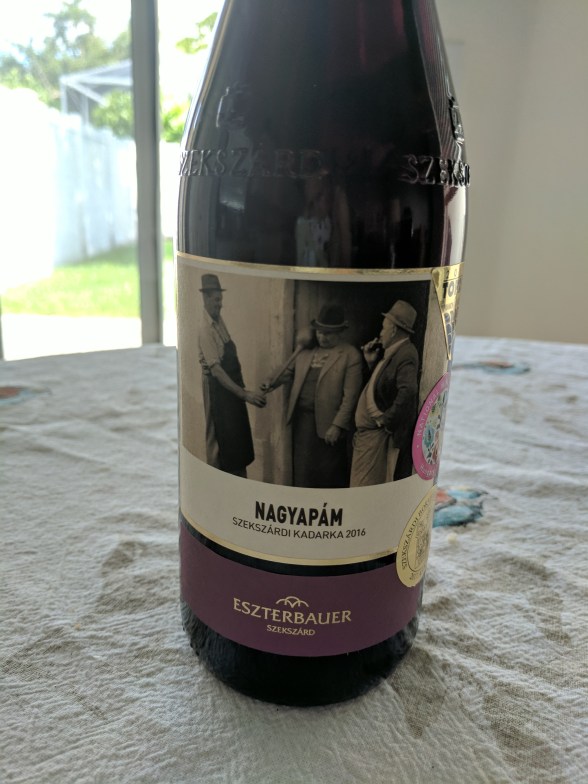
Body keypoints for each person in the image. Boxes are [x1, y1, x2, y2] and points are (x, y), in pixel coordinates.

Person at [264, 304, 363, 488]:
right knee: (303, 473)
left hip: (329, 426)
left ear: (340, 332)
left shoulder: (350, 355)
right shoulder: (305, 352)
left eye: (328, 333)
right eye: (319, 332)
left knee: (328, 476)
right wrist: (270, 381)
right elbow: (286, 373)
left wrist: (337, 426)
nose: (322, 337)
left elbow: (351, 397)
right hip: (303, 424)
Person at [198, 274, 266, 476]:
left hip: (231, 390)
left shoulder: (218, 321)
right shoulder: (204, 329)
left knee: (236, 441)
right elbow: (217, 371)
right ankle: (217, 482)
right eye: (216, 300)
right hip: (217, 389)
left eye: (221, 299)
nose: (220, 304)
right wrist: (245, 395)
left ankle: (238, 481)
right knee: (219, 441)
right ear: (205, 298)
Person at [350, 300, 419, 486]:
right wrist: (371, 363)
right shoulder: (393, 352)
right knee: (362, 486)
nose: (380, 333)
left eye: (383, 328)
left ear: (394, 330)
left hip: (377, 437)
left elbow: (408, 390)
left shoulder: (406, 353)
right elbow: (381, 387)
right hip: (368, 437)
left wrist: (388, 421)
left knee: (365, 488)